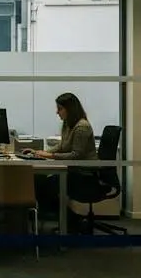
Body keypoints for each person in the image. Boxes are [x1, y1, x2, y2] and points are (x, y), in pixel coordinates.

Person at [23, 92, 97, 221]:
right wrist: (39, 152)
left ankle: (72, 220)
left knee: (44, 185)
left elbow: (76, 155)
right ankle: (70, 219)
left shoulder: (82, 127)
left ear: (70, 109)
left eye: (60, 108)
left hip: (84, 174)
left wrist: (50, 155)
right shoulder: (68, 124)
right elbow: (62, 146)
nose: (57, 112)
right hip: (73, 171)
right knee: (38, 180)